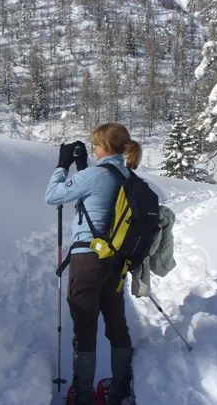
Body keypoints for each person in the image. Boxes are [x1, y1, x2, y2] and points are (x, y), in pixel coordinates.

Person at [45, 123, 141, 405]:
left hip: (88, 259)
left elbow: (52, 196)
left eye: (96, 145)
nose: (95, 148)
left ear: (105, 147)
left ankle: (82, 396)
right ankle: (119, 391)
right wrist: (83, 164)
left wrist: (63, 165)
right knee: (116, 323)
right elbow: (100, 196)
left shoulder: (96, 175)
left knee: (85, 326)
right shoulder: (128, 175)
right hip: (116, 262)